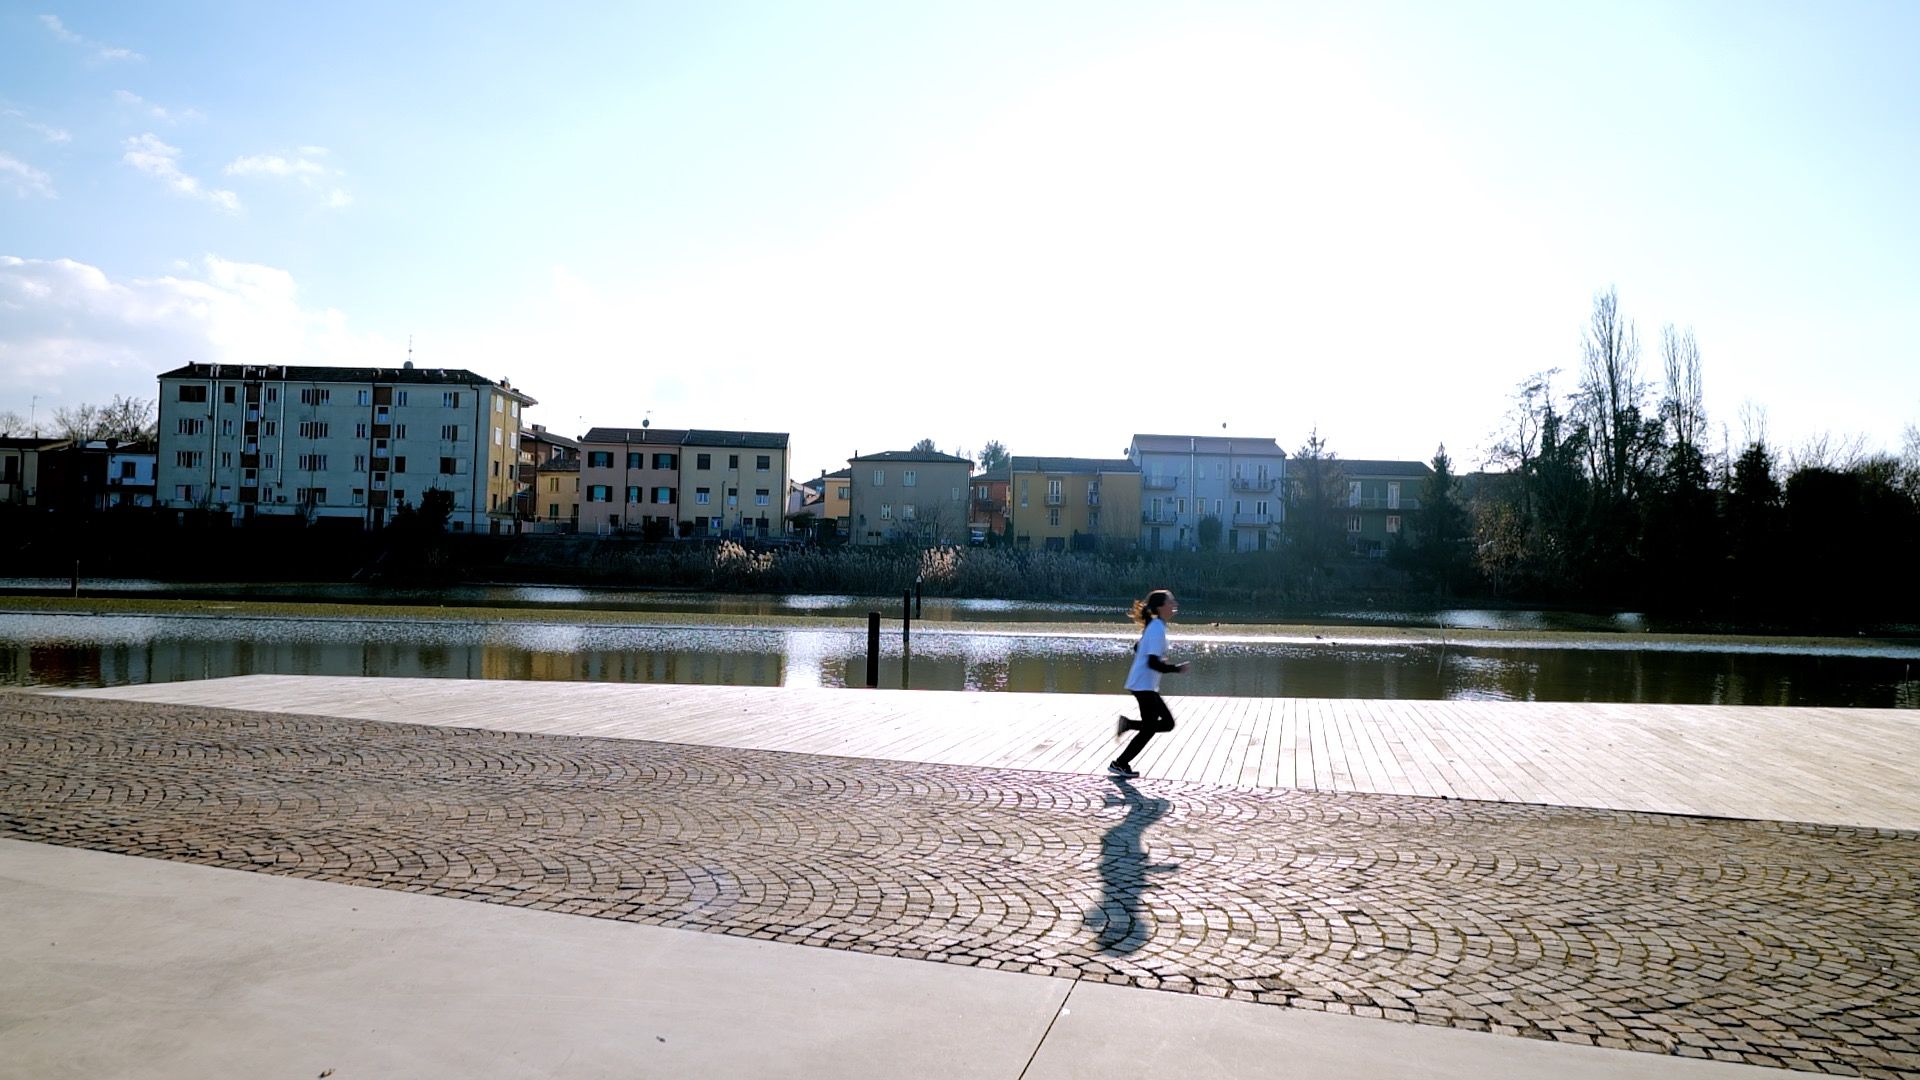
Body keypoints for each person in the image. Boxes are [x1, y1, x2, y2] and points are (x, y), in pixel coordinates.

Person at [1110, 588, 1188, 778]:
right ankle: (1120, 762)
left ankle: (1127, 728)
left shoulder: (1155, 625)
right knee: (1158, 725)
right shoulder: (1156, 628)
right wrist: (1176, 668)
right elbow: (1152, 662)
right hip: (1143, 685)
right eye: (1171, 602)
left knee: (1158, 725)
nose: (1174, 605)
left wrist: (1156, 657)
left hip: (1143, 684)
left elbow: (1138, 647)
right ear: (1161, 607)